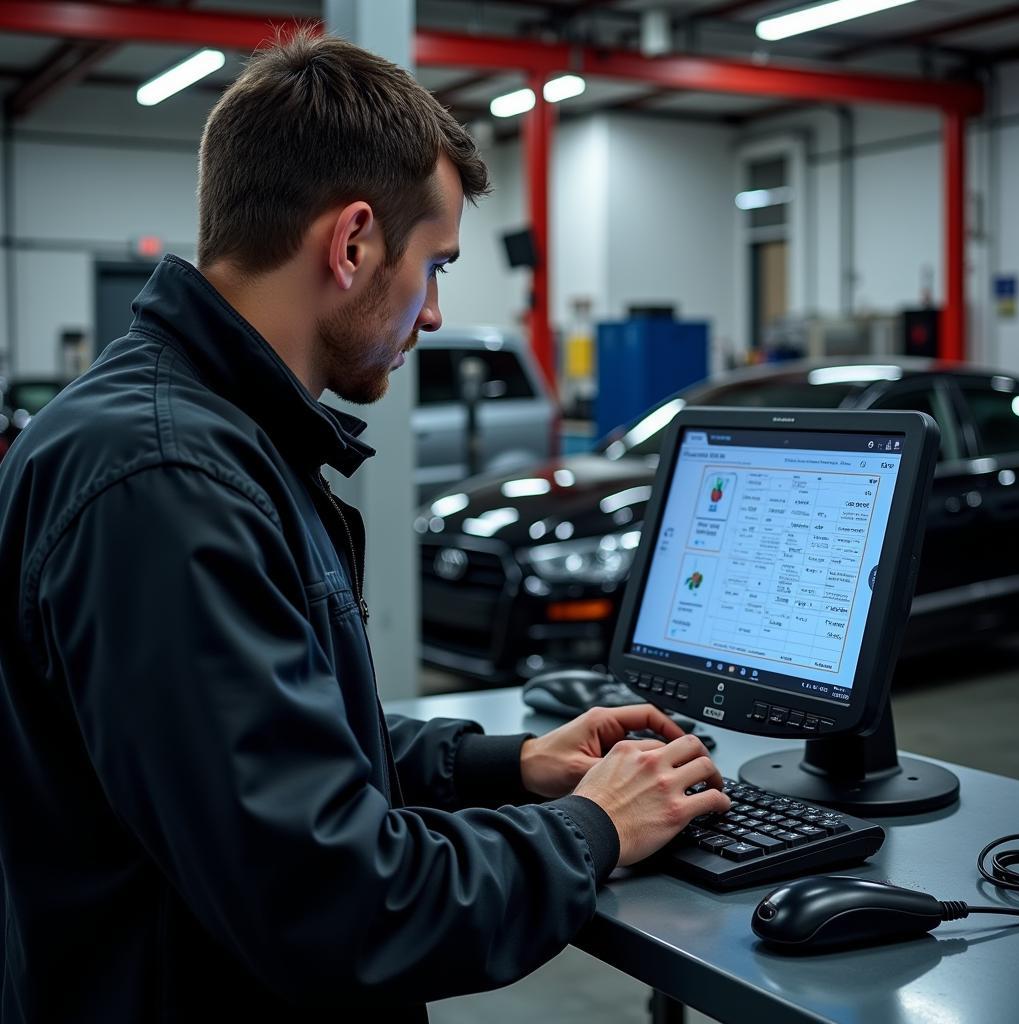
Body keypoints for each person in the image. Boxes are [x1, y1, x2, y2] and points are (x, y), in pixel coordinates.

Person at [0, 30, 729, 1023]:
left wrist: (507, 766)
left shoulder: (209, 437)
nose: (432, 313)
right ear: (351, 244)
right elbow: (336, 901)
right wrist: (589, 826)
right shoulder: (166, 479)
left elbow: (279, 739)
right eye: (433, 266)